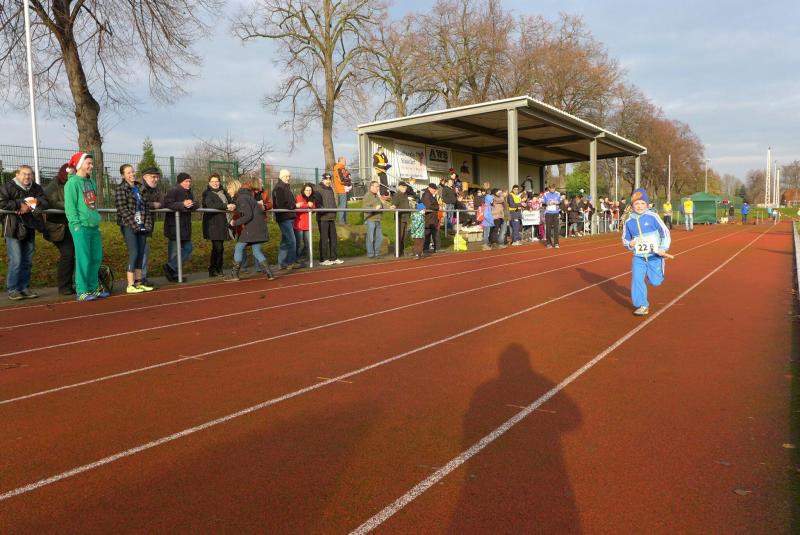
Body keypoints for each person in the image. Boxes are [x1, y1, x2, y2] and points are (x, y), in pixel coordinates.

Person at [0, 164, 48, 300]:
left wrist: (33, 203)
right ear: (17, 174)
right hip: (13, 227)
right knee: (16, 260)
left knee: (27, 260)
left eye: (29, 174)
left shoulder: (36, 188)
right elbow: (2, 202)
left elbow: (45, 202)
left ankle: (24, 287)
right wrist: (18, 205)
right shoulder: (7, 187)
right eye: (24, 174)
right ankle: (13, 289)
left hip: (30, 227)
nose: (27, 177)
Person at [622, 188, 671, 316]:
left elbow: (665, 232)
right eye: (636, 203)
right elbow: (625, 239)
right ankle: (642, 305)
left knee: (655, 282)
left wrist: (663, 248)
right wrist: (629, 244)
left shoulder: (653, 217)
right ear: (632, 205)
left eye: (642, 203)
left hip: (655, 256)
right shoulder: (629, 222)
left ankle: (654, 274)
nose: (639, 206)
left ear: (647, 204)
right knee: (637, 279)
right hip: (638, 257)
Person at [64, 152, 105, 301]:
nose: (91, 166)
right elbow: (70, 207)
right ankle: (82, 290)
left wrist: (96, 221)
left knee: (96, 258)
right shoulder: (72, 183)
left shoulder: (91, 182)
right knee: (84, 259)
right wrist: (76, 225)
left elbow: (92, 205)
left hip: (93, 227)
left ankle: (93, 288)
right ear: (80, 164)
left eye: (92, 163)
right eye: (88, 163)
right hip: (80, 227)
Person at [224, 176, 275, 281]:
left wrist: (234, 223)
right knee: (256, 251)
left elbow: (247, 215)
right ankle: (269, 273)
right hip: (259, 226)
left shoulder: (242, 197)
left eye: (229, 189)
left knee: (239, 248)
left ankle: (234, 275)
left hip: (252, 228)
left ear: (233, 188)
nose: (228, 192)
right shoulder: (246, 196)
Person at [114, 164, 154, 294]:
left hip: (142, 225)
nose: (132, 174)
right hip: (128, 225)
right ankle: (130, 285)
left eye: (132, 172)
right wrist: (134, 225)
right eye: (128, 173)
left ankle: (139, 282)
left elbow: (146, 208)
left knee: (141, 253)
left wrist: (147, 224)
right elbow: (123, 210)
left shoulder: (140, 188)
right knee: (134, 252)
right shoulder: (120, 189)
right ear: (123, 175)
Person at [44, 163, 76, 295]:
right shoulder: (54, 186)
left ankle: (75, 283)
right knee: (68, 254)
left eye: (74, 172)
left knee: (75, 254)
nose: (72, 175)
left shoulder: (75, 183)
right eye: (70, 173)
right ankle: (64, 287)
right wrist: (70, 205)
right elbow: (51, 202)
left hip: (72, 225)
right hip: (58, 227)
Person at [163, 172, 198, 282]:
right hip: (174, 226)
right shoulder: (173, 190)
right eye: (186, 181)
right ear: (180, 182)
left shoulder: (189, 192)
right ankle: (174, 274)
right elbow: (167, 204)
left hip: (185, 227)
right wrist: (182, 204)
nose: (189, 183)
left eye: (190, 181)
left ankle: (171, 268)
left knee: (188, 248)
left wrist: (191, 204)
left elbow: (196, 204)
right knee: (174, 251)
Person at [202, 173, 235, 277]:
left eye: (217, 181)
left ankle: (216, 268)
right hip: (213, 224)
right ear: (209, 183)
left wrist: (233, 205)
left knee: (219, 248)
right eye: (213, 181)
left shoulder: (224, 192)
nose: (215, 183)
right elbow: (210, 205)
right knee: (218, 247)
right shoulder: (207, 193)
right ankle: (215, 269)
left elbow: (231, 201)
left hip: (223, 223)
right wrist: (226, 206)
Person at [272, 169, 301, 270]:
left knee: (285, 241)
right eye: (286, 176)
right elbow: (281, 204)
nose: (288, 178)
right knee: (292, 241)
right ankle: (290, 262)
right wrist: (295, 205)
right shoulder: (279, 188)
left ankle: (282, 263)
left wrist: (293, 205)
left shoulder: (285, 187)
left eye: (289, 176)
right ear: (281, 177)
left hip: (288, 216)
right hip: (284, 217)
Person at [140, 167, 163, 287]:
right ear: (145, 177)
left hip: (148, 224)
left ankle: (141, 277)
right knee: (142, 251)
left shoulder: (156, 189)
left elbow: (162, 201)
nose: (156, 179)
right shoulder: (139, 188)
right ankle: (139, 278)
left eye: (157, 177)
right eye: (153, 177)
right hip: (138, 224)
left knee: (144, 250)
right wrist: (152, 204)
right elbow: (137, 203)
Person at [316, 173, 343, 265]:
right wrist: (323, 210)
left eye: (329, 179)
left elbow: (333, 201)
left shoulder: (331, 189)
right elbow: (318, 203)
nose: (328, 181)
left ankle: (333, 258)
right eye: (326, 179)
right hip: (323, 218)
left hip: (331, 217)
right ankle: (323, 259)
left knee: (333, 238)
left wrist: (334, 210)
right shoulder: (318, 189)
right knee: (324, 239)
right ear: (323, 180)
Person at [362, 180, 392, 259]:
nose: (378, 188)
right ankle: (371, 254)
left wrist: (389, 207)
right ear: (371, 187)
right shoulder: (367, 195)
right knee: (370, 238)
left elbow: (381, 206)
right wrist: (374, 208)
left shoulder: (376, 196)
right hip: (370, 219)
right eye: (376, 186)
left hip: (377, 219)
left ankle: (377, 253)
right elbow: (365, 208)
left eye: (378, 186)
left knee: (379, 237)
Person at [294, 183, 315, 262]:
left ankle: (301, 258)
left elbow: (314, 207)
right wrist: (308, 205)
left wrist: (310, 206)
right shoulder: (299, 197)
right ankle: (296, 259)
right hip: (299, 224)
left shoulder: (312, 198)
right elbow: (299, 207)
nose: (308, 192)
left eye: (310, 190)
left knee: (308, 244)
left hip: (307, 225)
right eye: (307, 190)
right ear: (303, 191)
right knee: (299, 244)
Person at [391, 181, 413, 256]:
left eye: (405, 187)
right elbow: (394, 204)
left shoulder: (405, 195)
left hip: (405, 217)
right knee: (399, 235)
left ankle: (401, 251)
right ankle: (397, 252)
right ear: (399, 187)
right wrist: (393, 206)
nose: (405, 188)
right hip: (400, 218)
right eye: (403, 187)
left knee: (403, 236)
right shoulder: (397, 195)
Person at [421, 182, 440, 253]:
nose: (434, 190)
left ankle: (427, 248)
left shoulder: (428, 194)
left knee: (429, 233)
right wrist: (437, 207)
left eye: (435, 189)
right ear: (430, 188)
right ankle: (436, 248)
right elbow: (428, 206)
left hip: (430, 217)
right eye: (434, 189)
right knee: (433, 233)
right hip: (429, 217)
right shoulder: (427, 195)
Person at [332, 156, 351, 225]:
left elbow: (345, 176)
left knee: (345, 205)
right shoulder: (338, 168)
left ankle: (344, 221)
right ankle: (342, 222)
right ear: (341, 161)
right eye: (344, 160)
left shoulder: (342, 168)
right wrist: (349, 179)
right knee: (343, 205)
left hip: (344, 189)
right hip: (341, 189)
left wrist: (348, 176)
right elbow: (341, 180)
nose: (345, 162)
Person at [542, 183, 561, 248]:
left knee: (556, 228)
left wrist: (557, 202)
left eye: (554, 188)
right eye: (551, 188)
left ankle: (556, 243)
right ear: (549, 188)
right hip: (548, 213)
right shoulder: (545, 194)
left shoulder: (558, 193)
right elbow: (543, 202)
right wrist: (546, 203)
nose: (553, 190)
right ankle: (548, 243)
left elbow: (560, 201)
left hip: (556, 213)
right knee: (548, 228)